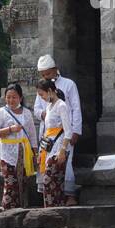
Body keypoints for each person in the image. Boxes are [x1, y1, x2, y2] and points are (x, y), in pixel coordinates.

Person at [33, 55, 82, 205]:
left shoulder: (68, 84)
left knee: (65, 163)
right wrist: (45, 114)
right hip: (48, 132)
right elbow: (36, 109)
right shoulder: (42, 89)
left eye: (48, 74)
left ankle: (69, 194)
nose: (46, 77)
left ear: (55, 70)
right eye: (43, 75)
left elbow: (75, 108)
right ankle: (51, 196)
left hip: (64, 132)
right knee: (47, 163)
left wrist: (76, 130)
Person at [0, 83, 38, 210]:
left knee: (23, 181)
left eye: (14, 97)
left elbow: (32, 135)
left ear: (20, 98)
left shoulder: (26, 113)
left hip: (23, 151)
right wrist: (10, 129)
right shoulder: (0, 113)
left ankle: (22, 208)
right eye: (8, 97)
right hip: (7, 152)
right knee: (10, 181)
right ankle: (8, 210)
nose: (11, 100)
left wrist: (35, 152)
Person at [35, 78, 73, 208]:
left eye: (42, 95)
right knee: (51, 184)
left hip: (58, 148)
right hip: (49, 146)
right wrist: (41, 151)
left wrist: (62, 150)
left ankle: (55, 210)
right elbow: (47, 131)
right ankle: (52, 210)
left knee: (51, 181)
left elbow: (68, 131)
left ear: (50, 91)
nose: (42, 98)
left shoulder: (61, 105)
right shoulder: (49, 106)